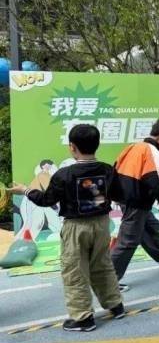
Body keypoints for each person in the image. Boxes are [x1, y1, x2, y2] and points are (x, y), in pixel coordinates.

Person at [9, 124, 124, 332]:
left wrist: (25, 190)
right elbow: (118, 194)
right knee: (102, 265)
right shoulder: (107, 170)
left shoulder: (64, 174)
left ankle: (83, 318)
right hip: (102, 223)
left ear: (72, 147)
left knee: (75, 271)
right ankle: (115, 305)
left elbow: (46, 200)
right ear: (97, 144)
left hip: (76, 227)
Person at [111, 120, 159, 292]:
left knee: (150, 228)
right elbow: (153, 178)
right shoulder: (151, 151)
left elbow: (115, 168)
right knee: (128, 240)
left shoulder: (134, 147)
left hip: (129, 197)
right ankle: (108, 282)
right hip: (135, 200)